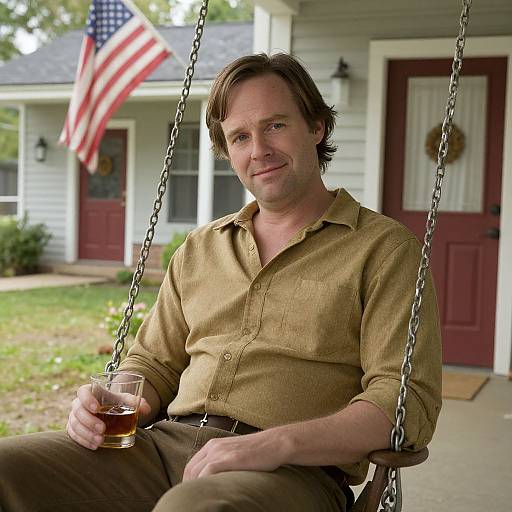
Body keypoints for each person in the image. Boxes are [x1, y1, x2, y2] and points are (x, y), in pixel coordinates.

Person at [0, 53, 442, 512]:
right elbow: (152, 365)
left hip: (291, 475)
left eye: (275, 126)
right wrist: (115, 396)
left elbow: (403, 402)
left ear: (316, 127)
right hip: (160, 449)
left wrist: (276, 444)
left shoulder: (384, 251)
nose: (259, 150)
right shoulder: (199, 249)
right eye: (240, 137)